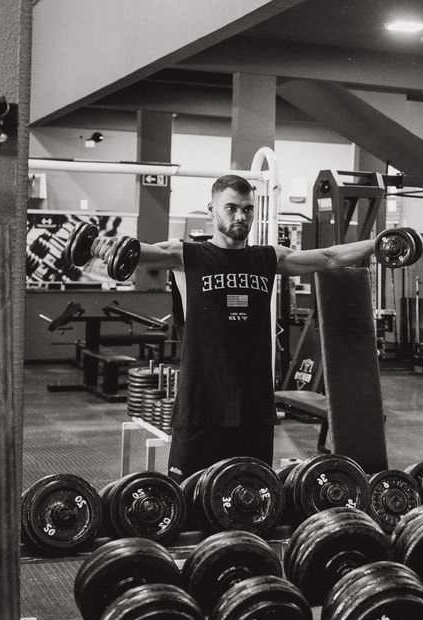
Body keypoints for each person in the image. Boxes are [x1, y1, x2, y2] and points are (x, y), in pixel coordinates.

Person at [135, 174, 377, 480]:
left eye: (248, 209)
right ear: (212, 209)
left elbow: (329, 258)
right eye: (231, 208)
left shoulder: (267, 259)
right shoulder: (187, 256)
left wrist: (377, 244)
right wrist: (98, 245)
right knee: (189, 496)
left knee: (253, 494)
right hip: (201, 408)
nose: (241, 216)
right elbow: (137, 254)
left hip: (254, 410)